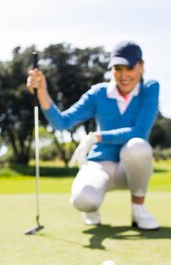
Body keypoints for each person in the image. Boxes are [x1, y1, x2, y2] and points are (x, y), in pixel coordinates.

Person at [27, 41, 160, 230]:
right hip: (100, 165)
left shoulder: (150, 89)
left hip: (129, 168)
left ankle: (138, 210)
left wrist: (96, 137)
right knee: (83, 200)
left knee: (138, 146)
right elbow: (61, 122)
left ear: (141, 66)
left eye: (129, 68)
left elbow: (139, 131)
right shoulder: (98, 93)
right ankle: (91, 208)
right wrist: (42, 91)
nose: (123, 75)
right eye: (117, 68)